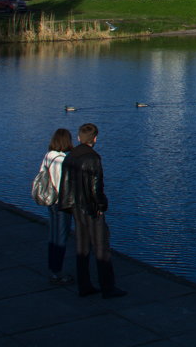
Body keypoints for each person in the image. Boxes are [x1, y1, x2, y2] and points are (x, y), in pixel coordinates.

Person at [57, 122, 127, 298]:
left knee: (82, 248)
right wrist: (101, 205)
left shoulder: (70, 155)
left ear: (80, 137)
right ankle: (107, 287)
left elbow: (64, 184)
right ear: (95, 139)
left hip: (75, 208)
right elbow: (97, 187)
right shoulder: (93, 157)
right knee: (101, 248)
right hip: (91, 209)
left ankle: (84, 285)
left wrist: (67, 205)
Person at [39, 128, 74, 284]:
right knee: (61, 237)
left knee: (53, 234)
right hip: (61, 202)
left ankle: (52, 267)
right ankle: (57, 272)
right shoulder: (63, 159)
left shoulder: (48, 155)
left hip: (49, 200)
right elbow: (63, 184)